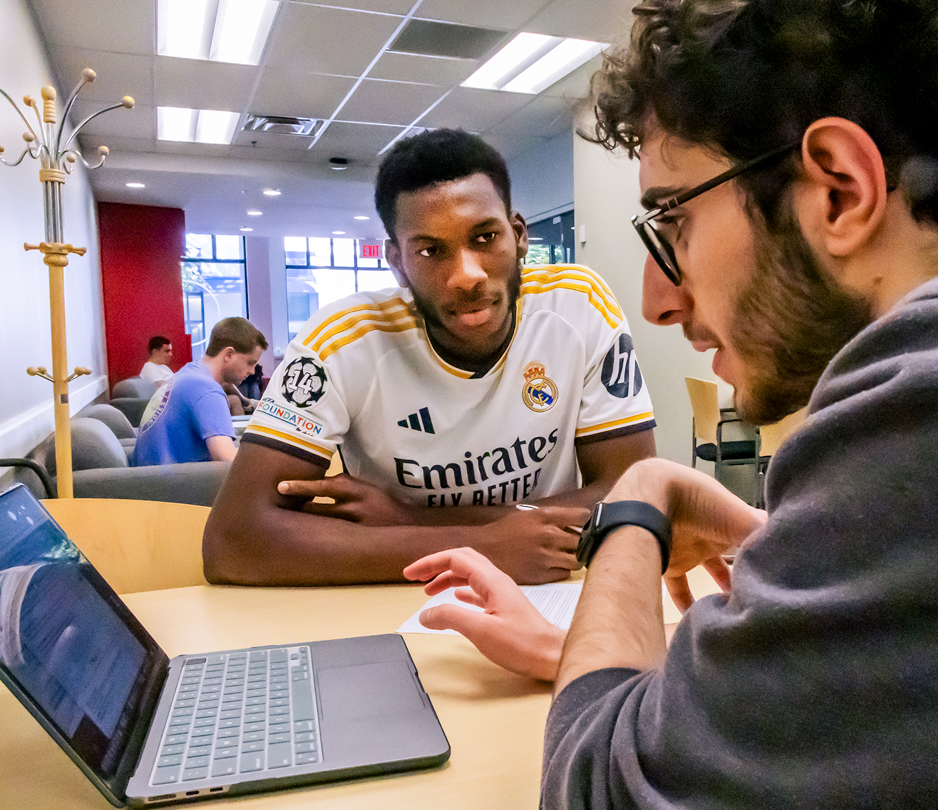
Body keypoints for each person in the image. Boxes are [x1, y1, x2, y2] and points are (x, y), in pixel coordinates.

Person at [402, 0, 938, 807]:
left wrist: (636, 508)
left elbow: (600, 790)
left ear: (840, 190)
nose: (658, 297)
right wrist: (690, 670)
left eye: (674, 222)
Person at [203, 129, 657, 587]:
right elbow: (233, 540)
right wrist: (486, 548)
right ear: (397, 261)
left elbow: (631, 492)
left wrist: (410, 518)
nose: (467, 275)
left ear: (518, 236)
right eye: (430, 250)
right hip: (397, 594)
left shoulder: (579, 304)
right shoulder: (338, 342)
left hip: (548, 584)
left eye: (485, 237)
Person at [134, 318, 266, 465]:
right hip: (175, 484)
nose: (253, 371)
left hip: (150, 479)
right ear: (228, 354)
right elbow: (226, 459)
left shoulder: (188, 374)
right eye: (250, 362)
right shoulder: (206, 390)